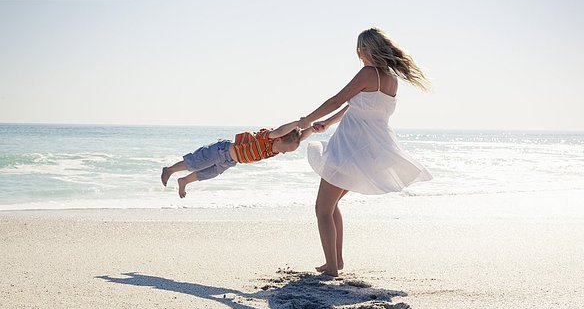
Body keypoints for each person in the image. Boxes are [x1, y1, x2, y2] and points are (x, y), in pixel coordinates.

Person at [298, 27, 433, 277]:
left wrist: (306, 120)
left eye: (359, 48)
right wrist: (327, 123)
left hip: (348, 148)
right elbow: (358, 107)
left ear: (365, 49)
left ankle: (331, 269)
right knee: (332, 204)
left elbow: (336, 100)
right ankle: (335, 261)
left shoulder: (368, 73)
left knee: (322, 209)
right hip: (366, 151)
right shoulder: (390, 80)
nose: (358, 54)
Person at [161, 120, 314, 198]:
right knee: (195, 164)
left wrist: (312, 129)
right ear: (279, 140)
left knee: (207, 173)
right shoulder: (266, 137)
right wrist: (298, 123)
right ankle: (169, 170)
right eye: (286, 150)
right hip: (221, 151)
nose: (285, 153)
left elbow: (298, 139)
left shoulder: (274, 149)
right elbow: (281, 130)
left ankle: (184, 181)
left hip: (229, 162)